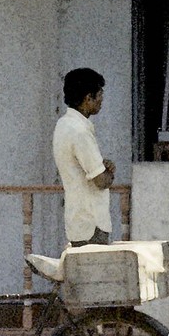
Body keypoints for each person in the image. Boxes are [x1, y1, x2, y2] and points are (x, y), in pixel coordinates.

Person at [53, 67, 116, 246]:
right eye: (100, 96)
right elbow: (101, 180)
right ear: (88, 98)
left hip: (77, 219)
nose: (102, 101)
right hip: (91, 222)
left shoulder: (64, 125)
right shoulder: (79, 131)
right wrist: (109, 173)